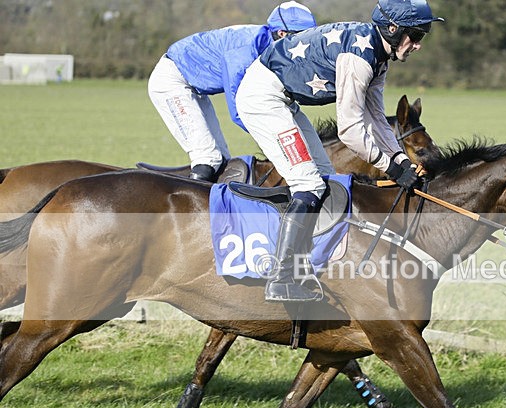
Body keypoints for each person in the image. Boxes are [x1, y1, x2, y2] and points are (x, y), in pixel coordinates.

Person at [236, 0, 444, 302]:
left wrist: (400, 159)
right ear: (393, 29)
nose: (417, 46)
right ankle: (281, 278)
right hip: (263, 98)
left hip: (282, 98)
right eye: (416, 36)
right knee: (308, 184)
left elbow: (376, 117)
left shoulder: (378, 57)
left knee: (325, 179)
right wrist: (392, 168)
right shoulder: (360, 58)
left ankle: (304, 263)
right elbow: (349, 129)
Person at [147, 2, 317, 181]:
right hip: (172, 80)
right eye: (303, 37)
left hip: (193, 84)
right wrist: (277, 138)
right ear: (282, 33)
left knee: (222, 161)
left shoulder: (269, 44)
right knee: (208, 158)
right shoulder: (244, 51)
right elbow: (240, 110)